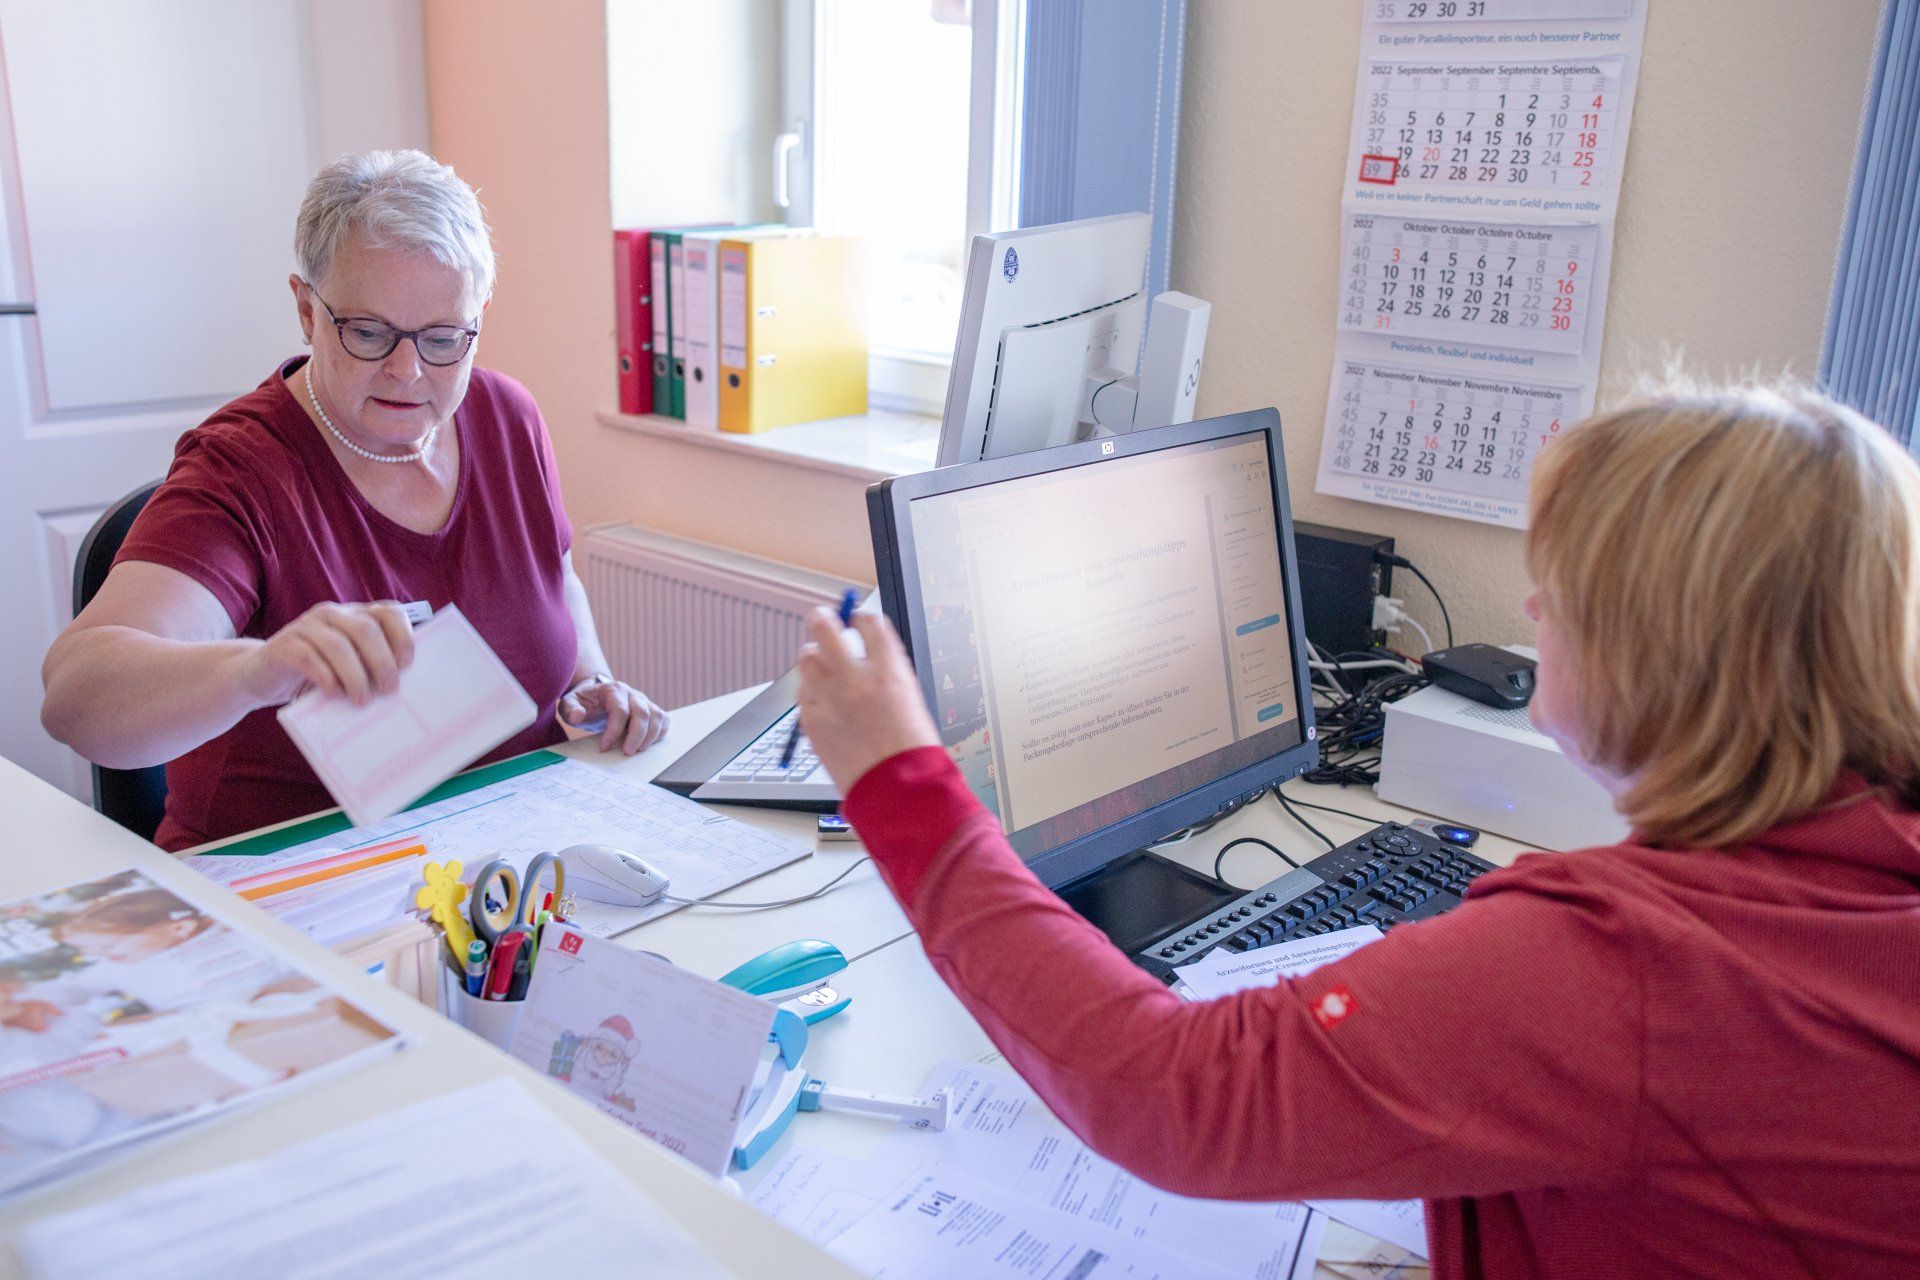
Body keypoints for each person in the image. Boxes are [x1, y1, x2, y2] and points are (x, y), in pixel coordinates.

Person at [794, 382, 1920, 1278]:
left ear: (1659, 654)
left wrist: (903, 782)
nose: (1532, 613)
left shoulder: (1630, 970)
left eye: (1560, 589)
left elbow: (1172, 1095)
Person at [40, 150, 667, 850]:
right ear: (307, 311)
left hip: (506, 852)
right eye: (368, 333)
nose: (408, 371)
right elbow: (76, 700)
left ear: (478, 319)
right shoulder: (241, 469)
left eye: (443, 339)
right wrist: (258, 669)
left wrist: (590, 680)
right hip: (296, 876)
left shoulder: (506, 418)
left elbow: (554, 577)